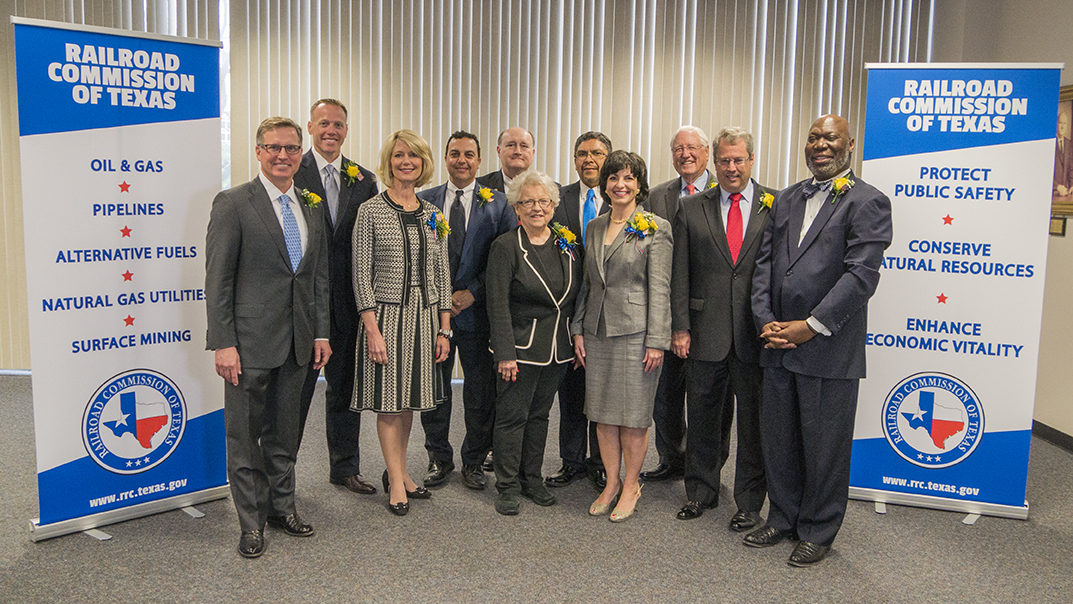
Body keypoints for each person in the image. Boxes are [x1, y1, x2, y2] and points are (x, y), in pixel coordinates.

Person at [747, 114, 892, 566]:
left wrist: (809, 325)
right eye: (813, 137)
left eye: (830, 138)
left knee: (825, 445)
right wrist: (766, 320)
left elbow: (861, 276)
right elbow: (765, 267)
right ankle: (783, 517)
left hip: (828, 348)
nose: (820, 145)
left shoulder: (869, 201)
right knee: (780, 439)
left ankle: (818, 528)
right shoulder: (786, 198)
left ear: (849, 145)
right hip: (777, 345)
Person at [205, 116, 331, 558]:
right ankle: (251, 523)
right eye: (274, 147)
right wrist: (222, 342)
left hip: (299, 343)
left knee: (285, 433)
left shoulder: (311, 204)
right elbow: (218, 280)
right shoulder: (234, 203)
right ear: (258, 151)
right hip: (249, 345)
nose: (283, 156)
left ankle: (282, 507)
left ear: (301, 152)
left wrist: (321, 334)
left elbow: (317, 278)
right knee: (244, 437)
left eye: (291, 148)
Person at [670, 127, 772, 531]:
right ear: (715, 162)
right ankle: (701, 492)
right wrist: (680, 327)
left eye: (739, 160)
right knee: (703, 418)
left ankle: (748, 501)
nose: (731, 167)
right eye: (724, 160)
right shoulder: (691, 207)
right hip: (703, 332)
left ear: (751, 161)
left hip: (755, 336)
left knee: (753, 425)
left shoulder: (775, 205)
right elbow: (680, 275)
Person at [350, 129, 452, 516]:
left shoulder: (432, 214)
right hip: (386, 319)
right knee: (390, 406)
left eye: (413, 155)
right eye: (398, 155)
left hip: (425, 319)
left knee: (410, 403)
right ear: (388, 161)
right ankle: (395, 480)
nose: (405, 161)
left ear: (423, 163)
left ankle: (402, 472)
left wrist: (444, 327)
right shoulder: (371, 211)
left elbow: (442, 273)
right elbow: (360, 274)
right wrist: (372, 330)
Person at [573, 151, 672, 522]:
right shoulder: (595, 226)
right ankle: (611, 483)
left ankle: (632, 485)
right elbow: (587, 283)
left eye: (628, 178)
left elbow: (660, 289)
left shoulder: (655, 226)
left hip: (636, 334)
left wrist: (657, 340)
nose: (620, 184)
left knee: (632, 416)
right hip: (597, 332)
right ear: (605, 183)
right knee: (602, 414)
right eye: (614, 177)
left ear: (639, 185)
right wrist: (578, 328)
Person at [293, 98, 379, 496]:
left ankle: (344, 467)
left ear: (347, 130)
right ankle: (281, 475)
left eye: (339, 124)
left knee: (344, 391)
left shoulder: (364, 180)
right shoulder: (291, 171)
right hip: (302, 306)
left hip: (346, 304)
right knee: (293, 395)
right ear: (310, 126)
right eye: (324, 123)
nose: (331, 130)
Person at [418, 131, 512, 490]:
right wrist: (443, 298)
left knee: (479, 392)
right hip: (432, 314)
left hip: (477, 313)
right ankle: (438, 459)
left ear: (479, 160)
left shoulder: (499, 204)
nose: (462, 160)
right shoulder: (424, 201)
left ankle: (474, 460)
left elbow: (503, 260)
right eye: (455, 153)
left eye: (469, 155)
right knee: (435, 392)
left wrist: (472, 293)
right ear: (445, 158)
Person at [486, 170, 582, 515]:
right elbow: (496, 302)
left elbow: (574, 295)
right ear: (516, 207)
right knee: (512, 418)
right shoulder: (506, 246)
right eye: (528, 202)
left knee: (540, 416)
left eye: (543, 201)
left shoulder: (565, 242)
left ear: (554, 206)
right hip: (520, 349)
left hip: (558, 348)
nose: (537, 208)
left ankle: (532, 478)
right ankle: (507, 485)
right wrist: (505, 353)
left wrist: (575, 338)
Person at [641, 125, 717, 483]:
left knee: (709, 398)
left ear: (706, 152)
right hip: (662, 311)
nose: (685, 154)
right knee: (665, 396)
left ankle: (707, 467)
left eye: (692, 148)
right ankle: (671, 458)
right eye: (677, 149)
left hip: (711, 314)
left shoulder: (726, 192)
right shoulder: (657, 196)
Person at [545, 131, 612, 491]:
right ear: (574, 160)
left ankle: (600, 462)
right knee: (570, 391)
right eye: (583, 154)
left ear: (608, 159)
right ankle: (571, 461)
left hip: (606, 312)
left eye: (597, 154)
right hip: (567, 308)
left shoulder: (624, 199)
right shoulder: (559, 199)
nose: (589, 160)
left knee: (599, 392)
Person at [477, 127, 537, 193]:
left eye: (524, 146)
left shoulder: (544, 188)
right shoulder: (479, 186)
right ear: (499, 151)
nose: (518, 152)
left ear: (532, 153)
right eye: (511, 145)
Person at [1054, 107, 1073, 197]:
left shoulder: (1069, 144)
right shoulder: (1051, 143)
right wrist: (1057, 186)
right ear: (1056, 124)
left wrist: (1072, 184)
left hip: (1066, 193)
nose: (1062, 126)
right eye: (1060, 123)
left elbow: (1071, 168)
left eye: (1064, 123)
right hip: (1053, 192)